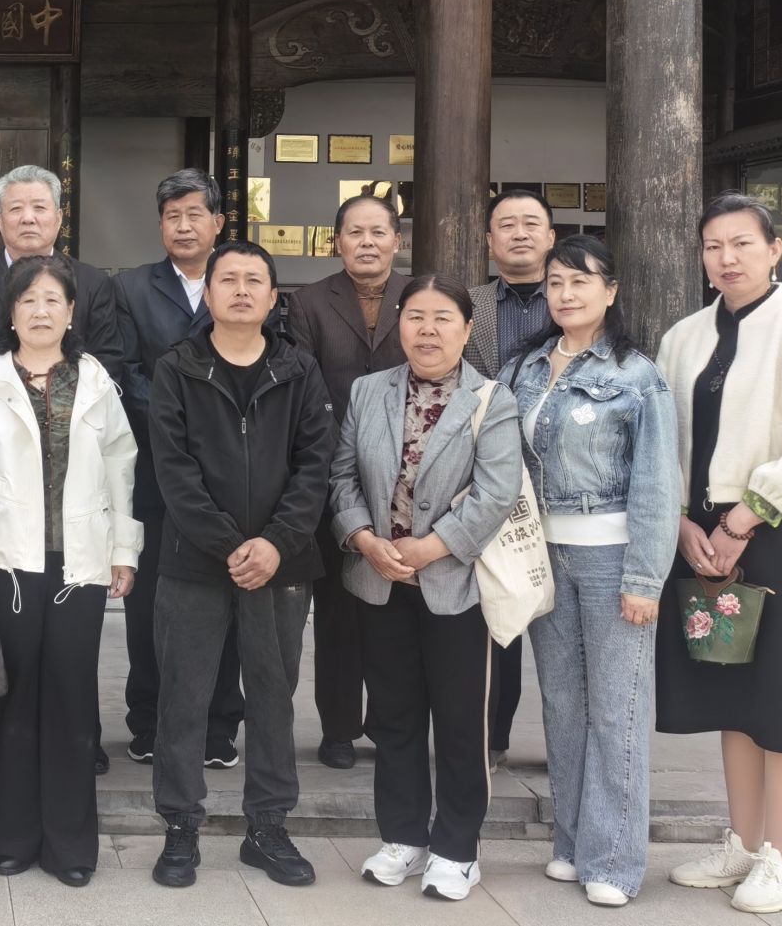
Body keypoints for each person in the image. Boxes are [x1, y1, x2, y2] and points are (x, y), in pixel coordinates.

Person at [656, 194, 782, 914]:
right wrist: (680, 521)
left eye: (742, 243)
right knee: (730, 693)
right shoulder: (683, 338)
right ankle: (741, 840)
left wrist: (747, 515)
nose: (727, 258)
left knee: (781, 695)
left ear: (775, 250)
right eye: (713, 246)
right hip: (697, 532)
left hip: (772, 526)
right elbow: (663, 441)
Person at [0, 255, 141, 887]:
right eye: (28, 300)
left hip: (80, 559)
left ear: (71, 312)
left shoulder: (94, 378)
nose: (41, 310)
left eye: (53, 300)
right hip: (8, 559)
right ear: (11, 312)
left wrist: (125, 549)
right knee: (14, 696)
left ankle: (70, 845)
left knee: (72, 695)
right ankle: (13, 838)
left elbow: (122, 465)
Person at [147, 241, 335, 889]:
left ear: (274, 296)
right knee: (183, 699)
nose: (242, 289)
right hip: (194, 563)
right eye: (228, 279)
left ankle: (268, 828)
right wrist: (229, 543)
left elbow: (316, 464)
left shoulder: (299, 370)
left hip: (282, 565)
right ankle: (180, 827)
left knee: (273, 699)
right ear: (208, 294)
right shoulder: (178, 368)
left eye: (255, 279)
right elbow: (173, 470)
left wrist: (276, 542)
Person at [328, 274, 522, 901]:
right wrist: (365, 540)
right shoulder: (369, 391)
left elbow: (497, 493)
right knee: (394, 717)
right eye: (415, 317)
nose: (428, 330)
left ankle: (458, 848)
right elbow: (341, 476)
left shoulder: (492, 400)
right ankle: (403, 837)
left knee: (462, 721)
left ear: (467, 330)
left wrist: (431, 547)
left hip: (456, 586)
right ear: (399, 325)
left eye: (443, 319)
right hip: (380, 580)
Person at [501, 234, 678, 906]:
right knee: (563, 705)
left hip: (611, 559)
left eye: (581, 281)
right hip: (542, 557)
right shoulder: (524, 367)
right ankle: (573, 843)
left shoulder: (637, 375)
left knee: (617, 709)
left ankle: (614, 859)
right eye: (556, 282)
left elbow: (657, 482)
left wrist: (645, 577)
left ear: (610, 291)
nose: (566, 293)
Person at [0, 164, 125, 774]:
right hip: (0, 471)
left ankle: (80, 738)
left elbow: (110, 362)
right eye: (16, 208)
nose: (28, 217)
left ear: (59, 217)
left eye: (40, 207)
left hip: (74, 484)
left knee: (72, 645)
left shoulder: (92, 283)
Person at [114, 170, 245, 771]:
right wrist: (180, 415)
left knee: (225, 601)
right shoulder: (131, 288)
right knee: (149, 605)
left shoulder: (240, 279)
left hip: (231, 476)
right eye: (172, 216)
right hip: (153, 471)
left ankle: (219, 723)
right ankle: (148, 720)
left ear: (218, 222)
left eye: (195, 214)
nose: (184, 226)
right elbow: (119, 370)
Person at [285, 193, 409, 769]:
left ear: (396, 241)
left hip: (407, 478)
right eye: (355, 232)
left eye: (378, 232)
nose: (367, 242)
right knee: (337, 611)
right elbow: (303, 387)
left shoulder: (418, 296)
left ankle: (390, 723)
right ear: (337, 242)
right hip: (333, 476)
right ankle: (338, 728)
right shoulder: (308, 302)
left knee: (396, 611)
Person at [463, 187, 559, 771]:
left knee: (560, 623)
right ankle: (491, 739)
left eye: (531, 223)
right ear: (489, 240)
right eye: (507, 225)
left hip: (564, 483)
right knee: (496, 614)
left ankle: (566, 743)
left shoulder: (575, 295)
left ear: (550, 236)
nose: (519, 233)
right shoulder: (469, 303)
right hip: (490, 479)